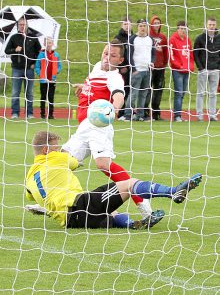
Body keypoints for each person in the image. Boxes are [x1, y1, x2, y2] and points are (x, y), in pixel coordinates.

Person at [63, 39, 160, 224]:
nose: (107, 57)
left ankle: (140, 199)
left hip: (98, 126)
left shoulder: (115, 77)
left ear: (120, 60)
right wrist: (83, 88)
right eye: (106, 53)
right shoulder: (97, 66)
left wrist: (115, 109)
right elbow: (94, 86)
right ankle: (54, 204)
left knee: (103, 165)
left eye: (113, 55)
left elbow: (118, 96)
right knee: (61, 161)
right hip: (84, 126)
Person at [25, 131, 202, 229]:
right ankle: (173, 192)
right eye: (56, 148)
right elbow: (74, 161)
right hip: (80, 206)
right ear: (46, 150)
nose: (59, 150)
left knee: (110, 212)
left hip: (72, 221)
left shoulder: (29, 178)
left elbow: (31, 197)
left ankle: (133, 224)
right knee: (129, 184)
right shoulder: (56, 158)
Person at [5, 17, 41, 119]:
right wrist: (15, 49)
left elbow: (39, 51)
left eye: (24, 24)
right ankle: (15, 113)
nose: (22, 26)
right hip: (16, 69)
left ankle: (29, 113)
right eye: (20, 24)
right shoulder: (14, 37)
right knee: (15, 92)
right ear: (18, 26)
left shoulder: (33, 37)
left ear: (27, 26)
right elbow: (7, 51)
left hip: (29, 69)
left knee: (29, 92)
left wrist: (34, 62)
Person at [124, 18, 156, 122]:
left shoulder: (151, 39)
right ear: (137, 27)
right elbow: (129, 55)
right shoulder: (133, 39)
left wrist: (152, 62)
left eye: (144, 26)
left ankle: (140, 115)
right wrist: (133, 69)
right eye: (140, 26)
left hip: (147, 70)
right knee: (134, 94)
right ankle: (128, 114)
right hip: (137, 71)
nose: (142, 28)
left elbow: (153, 53)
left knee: (144, 94)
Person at [194, 17, 220, 121]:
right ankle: (199, 115)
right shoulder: (200, 38)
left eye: (213, 25)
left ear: (216, 25)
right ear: (206, 25)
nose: (212, 27)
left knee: (213, 93)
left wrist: (218, 67)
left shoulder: (219, 38)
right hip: (203, 69)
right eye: (210, 24)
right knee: (201, 93)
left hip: (215, 70)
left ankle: (212, 115)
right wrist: (200, 67)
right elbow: (195, 54)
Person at [169, 20, 194, 122]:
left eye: (185, 28)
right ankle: (177, 115)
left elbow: (191, 55)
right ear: (177, 29)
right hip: (178, 70)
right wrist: (179, 66)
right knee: (179, 92)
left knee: (183, 92)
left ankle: (178, 113)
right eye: (181, 28)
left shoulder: (188, 40)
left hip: (186, 70)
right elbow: (171, 56)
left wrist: (191, 66)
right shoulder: (172, 40)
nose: (183, 30)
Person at [35, 37, 62, 119]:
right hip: (43, 80)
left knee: (51, 97)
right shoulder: (41, 54)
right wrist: (40, 74)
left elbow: (59, 65)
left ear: (52, 44)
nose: (48, 45)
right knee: (43, 97)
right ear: (44, 44)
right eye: (47, 43)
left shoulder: (56, 55)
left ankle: (51, 114)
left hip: (52, 80)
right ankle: (42, 114)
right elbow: (37, 66)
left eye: (50, 43)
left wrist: (57, 71)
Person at [149, 16, 168, 121]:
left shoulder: (163, 37)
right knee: (147, 90)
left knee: (158, 90)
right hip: (150, 67)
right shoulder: (148, 36)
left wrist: (164, 63)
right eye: (155, 23)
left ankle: (156, 114)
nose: (156, 25)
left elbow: (166, 52)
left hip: (160, 68)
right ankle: (145, 113)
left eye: (158, 23)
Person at [114, 17, 133, 120]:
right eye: (125, 24)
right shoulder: (118, 38)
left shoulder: (133, 37)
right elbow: (117, 53)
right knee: (122, 89)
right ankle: (120, 113)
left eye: (128, 24)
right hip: (123, 68)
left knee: (131, 90)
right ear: (122, 25)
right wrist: (121, 66)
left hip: (133, 68)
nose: (127, 26)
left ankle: (128, 112)